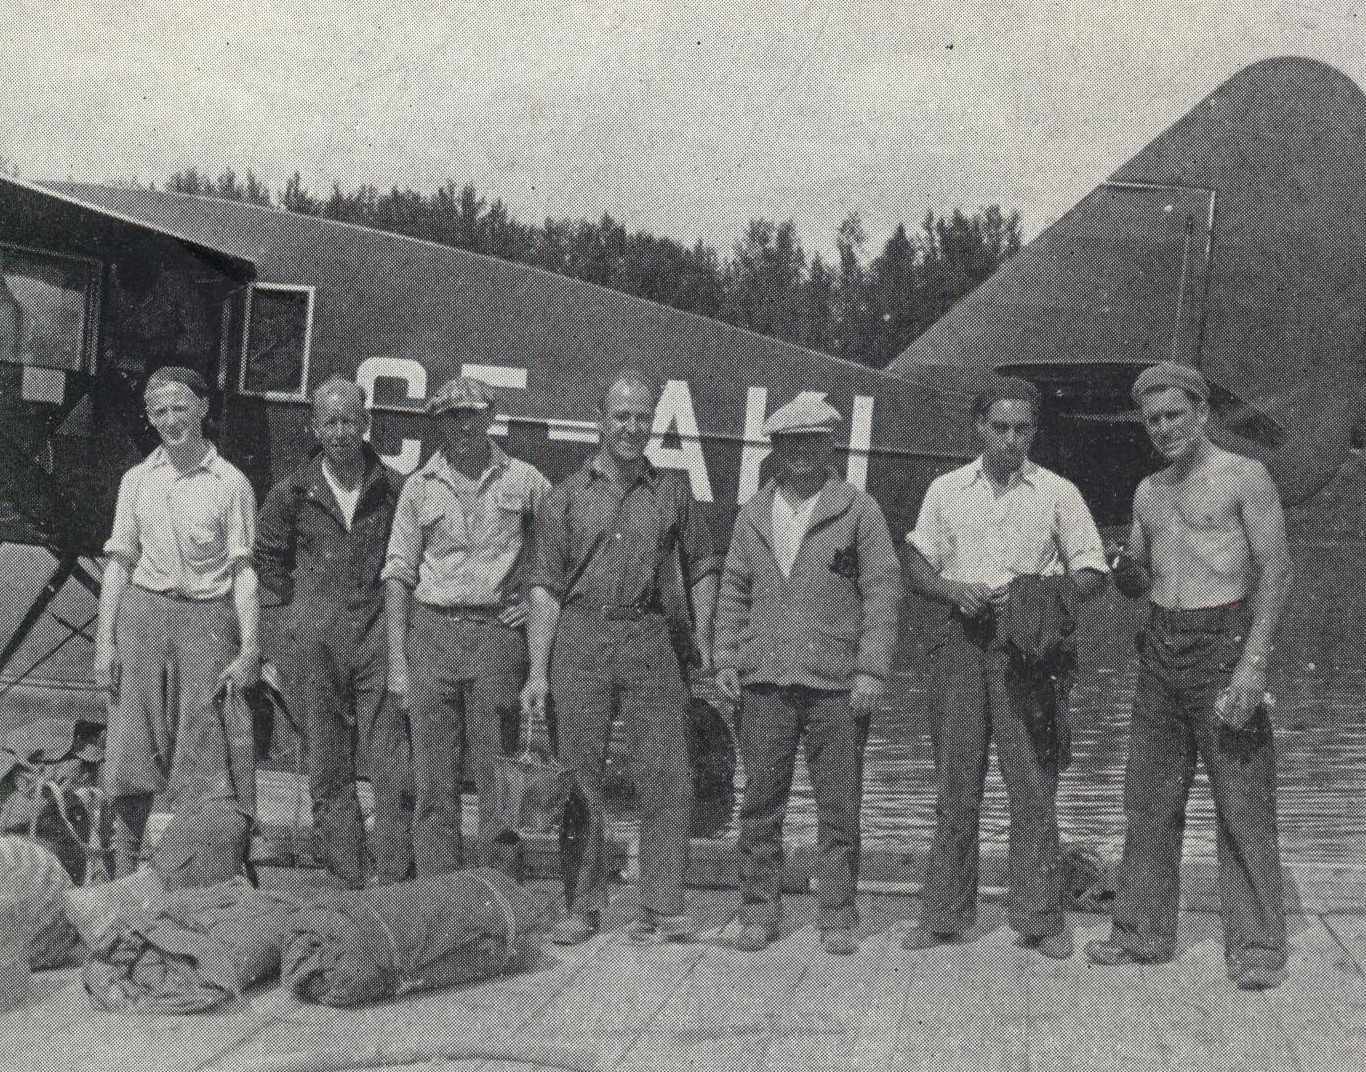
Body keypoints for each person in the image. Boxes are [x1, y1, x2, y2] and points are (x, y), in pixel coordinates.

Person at [1086, 361, 1292, 990]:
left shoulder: (1244, 477)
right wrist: (1124, 567)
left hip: (1224, 642)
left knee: (1241, 802)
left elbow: (1277, 574)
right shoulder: (1148, 490)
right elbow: (1141, 579)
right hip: (1160, 648)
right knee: (1148, 800)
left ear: (1203, 413)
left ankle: (1257, 944)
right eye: (1153, 420)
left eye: (1175, 414)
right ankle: (1142, 930)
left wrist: (1254, 666)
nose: (1164, 428)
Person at [901, 375, 1107, 959]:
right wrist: (951, 590)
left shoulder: (1058, 493)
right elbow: (916, 563)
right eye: (1000, 428)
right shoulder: (947, 489)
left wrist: (1041, 599)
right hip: (962, 645)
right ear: (979, 428)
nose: (1013, 440)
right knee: (956, 785)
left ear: (1034, 432)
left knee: (1033, 786)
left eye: (1023, 429)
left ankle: (1040, 919)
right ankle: (944, 915)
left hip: (1027, 651)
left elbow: (1093, 571)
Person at [522, 368, 720, 946]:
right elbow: (545, 587)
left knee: (667, 776)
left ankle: (661, 905)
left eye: (642, 417)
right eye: (621, 417)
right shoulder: (565, 495)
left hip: (651, 637)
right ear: (600, 422)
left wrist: (702, 639)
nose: (632, 428)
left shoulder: (674, 491)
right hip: (579, 639)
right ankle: (580, 906)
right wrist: (537, 669)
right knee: (578, 777)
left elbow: (704, 564)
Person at [713, 396, 902, 955]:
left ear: (829, 448)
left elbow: (883, 596)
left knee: (839, 807)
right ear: (775, 450)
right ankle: (757, 911)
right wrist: (726, 659)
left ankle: (838, 914)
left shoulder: (859, 511)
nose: (801, 456)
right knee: (761, 804)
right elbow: (733, 591)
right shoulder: (754, 512)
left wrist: (870, 669)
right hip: (765, 681)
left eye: (813, 444)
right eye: (790, 445)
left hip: (835, 684)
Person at [93, 366, 261, 878]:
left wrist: (249, 648)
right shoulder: (137, 481)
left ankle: (195, 876)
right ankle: (119, 872)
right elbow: (119, 564)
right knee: (131, 747)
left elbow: (244, 574)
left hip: (207, 622)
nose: (171, 420)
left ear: (203, 410)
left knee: (202, 750)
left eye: (180, 408)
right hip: (143, 615)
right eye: (159, 411)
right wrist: (105, 645)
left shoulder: (231, 484)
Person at [383, 375, 550, 878]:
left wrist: (531, 597)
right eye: (451, 418)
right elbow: (398, 573)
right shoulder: (418, 487)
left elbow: (553, 554)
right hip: (432, 634)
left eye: (471, 415)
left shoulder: (525, 481)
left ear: (489, 417)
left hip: (495, 637)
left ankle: (497, 898)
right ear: (440, 424)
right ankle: (440, 898)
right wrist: (397, 661)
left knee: (495, 776)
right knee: (434, 781)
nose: (462, 427)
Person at [255, 377, 410, 887]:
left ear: (366, 423)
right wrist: (290, 628)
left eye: (349, 420)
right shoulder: (293, 492)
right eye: (330, 421)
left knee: (392, 767)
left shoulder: (394, 489)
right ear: (314, 427)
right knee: (327, 766)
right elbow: (269, 562)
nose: (340, 431)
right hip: (315, 646)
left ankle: (389, 883)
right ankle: (350, 879)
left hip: (378, 639)